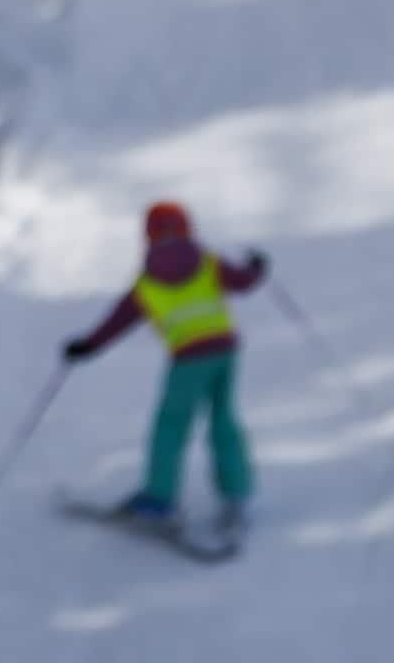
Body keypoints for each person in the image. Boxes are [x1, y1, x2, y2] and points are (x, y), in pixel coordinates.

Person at [63, 200, 268, 539]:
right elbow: (244, 282)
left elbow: (117, 322)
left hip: (188, 359)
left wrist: (87, 346)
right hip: (225, 351)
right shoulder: (207, 262)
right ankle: (235, 498)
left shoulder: (147, 282)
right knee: (224, 422)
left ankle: (160, 500)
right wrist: (257, 267)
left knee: (171, 426)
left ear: (148, 235)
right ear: (186, 227)